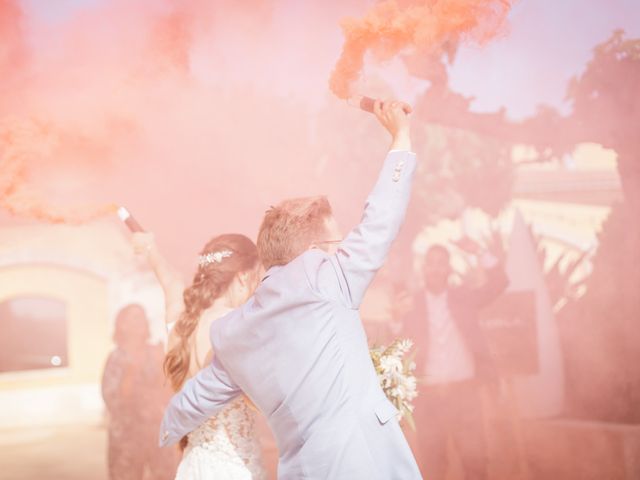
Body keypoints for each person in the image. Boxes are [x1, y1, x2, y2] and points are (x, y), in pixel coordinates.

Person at [159, 100, 422, 479]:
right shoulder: (325, 278)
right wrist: (401, 137)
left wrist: (168, 428)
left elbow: (197, 398)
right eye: (337, 244)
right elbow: (381, 218)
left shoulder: (232, 331)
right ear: (314, 250)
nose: (342, 250)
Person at [134, 233, 267, 479]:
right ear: (243, 276)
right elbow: (262, 401)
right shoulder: (235, 326)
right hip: (234, 470)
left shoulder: (183, 319)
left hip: (192, 466)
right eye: (257, 277)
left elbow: (171, 282)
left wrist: (150, 249)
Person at [402, 240, 509, 480]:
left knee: (476, 463)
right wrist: (396, 320)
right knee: (433, 467)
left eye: (441, 264)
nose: (436, 269)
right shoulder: (412, 305)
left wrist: (481, 252)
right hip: (428, 400)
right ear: (424, 269)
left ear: (448, 269)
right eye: (431, 264)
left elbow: (500, 283)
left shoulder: (464, 298)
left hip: (465, 397)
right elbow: (398, 346)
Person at [102, 304, 177, 480]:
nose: (141, 321)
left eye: (142, 316)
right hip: (126, 439)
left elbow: (168, 394)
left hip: (156, 433)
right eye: (135, 317)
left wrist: (163, 366)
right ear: (122, 325)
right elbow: (114, 402)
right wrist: (132, 369)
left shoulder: (155, 353)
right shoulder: (116, 359)